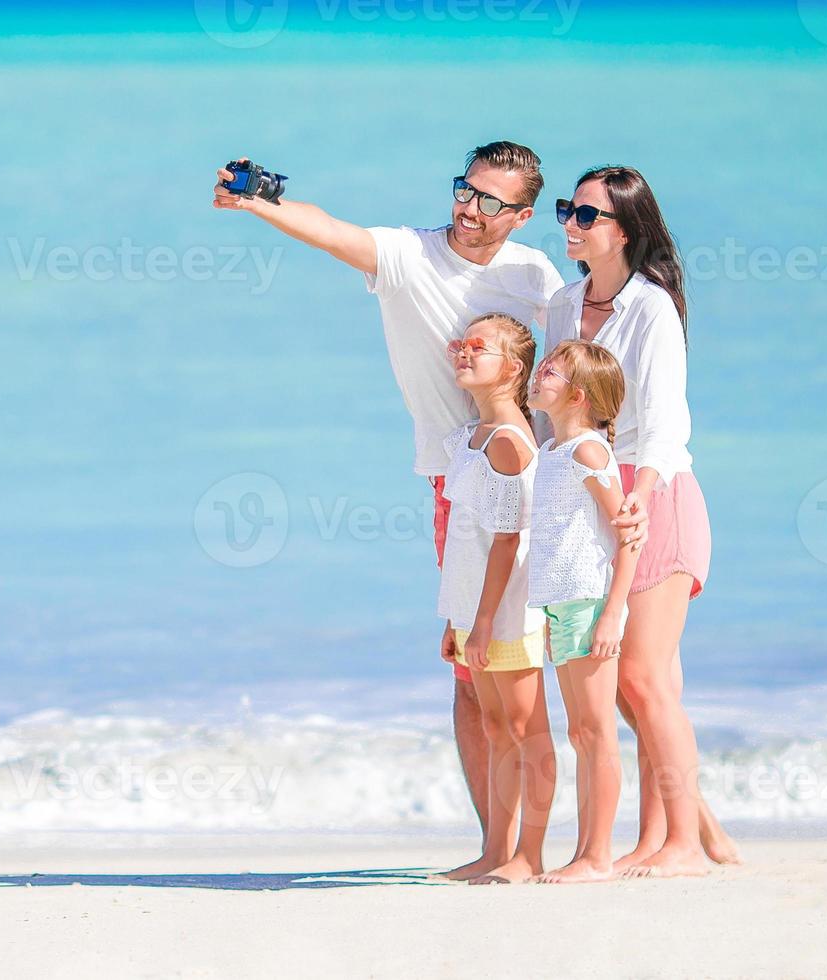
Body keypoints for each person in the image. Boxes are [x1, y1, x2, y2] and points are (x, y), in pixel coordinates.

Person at [212, 142, 565, 843]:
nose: (470, 209)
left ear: (522, 216)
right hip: (453, 480)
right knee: (473, 669)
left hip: (530, 476)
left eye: (491, 202)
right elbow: (333, 229)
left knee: (533, 668)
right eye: (465, 190)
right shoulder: (410, 255)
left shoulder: (536, 276)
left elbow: (564, 374)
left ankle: (540, 846)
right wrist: (260, 201)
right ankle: (496, 840)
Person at [541, 165, 740, 876]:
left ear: (624, 229)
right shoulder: (564, 304)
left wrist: (641, 493)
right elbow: (559, 416)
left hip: (654, 496)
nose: (569, 222)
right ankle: (674, 839)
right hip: (592, 495)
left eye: (586, 215)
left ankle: (684, 842)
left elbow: (664, 420)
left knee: (646, 681)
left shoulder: (651, 307)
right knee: (631, 685)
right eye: (569, 209)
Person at [432, 313, 555, 884]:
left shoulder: (509, 442)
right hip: (473, 613)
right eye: (460, 343)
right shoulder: (468, 439)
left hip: (507, 615)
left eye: (477, 347)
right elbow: (466, 539)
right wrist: (456, 618)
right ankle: (496, 851)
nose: (463, 352)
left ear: (512, 367)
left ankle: (529, 855)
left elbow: (510, 540)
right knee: (495, 728)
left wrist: (482, 624)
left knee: (528, 732)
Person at [521, 340, 636, 884]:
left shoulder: (589, 451)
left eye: (551, 370)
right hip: (565, 605)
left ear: (579, 396)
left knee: (597, 732)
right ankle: (587, 852)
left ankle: (598, 856)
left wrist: (614, 614)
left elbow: (628, 536)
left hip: (591, 603)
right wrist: (548, 613)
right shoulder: (553, 453)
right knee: (581, 734)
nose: (539, 373)